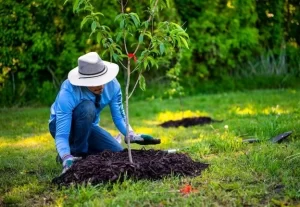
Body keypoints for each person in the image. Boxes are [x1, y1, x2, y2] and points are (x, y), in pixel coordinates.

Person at [49, 52, 160, 174]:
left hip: (88, 126)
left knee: (117, 151)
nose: (100, 85)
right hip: (61, 126)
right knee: (87, 107)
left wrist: (132, 135)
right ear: (83, 81)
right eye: (94, 81)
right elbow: (62, 134)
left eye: (102, 79)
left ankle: (79, 151)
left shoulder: (112, 85)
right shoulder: (69, 91)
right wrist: (66, 156)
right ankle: (74, 154)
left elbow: (119, 117)